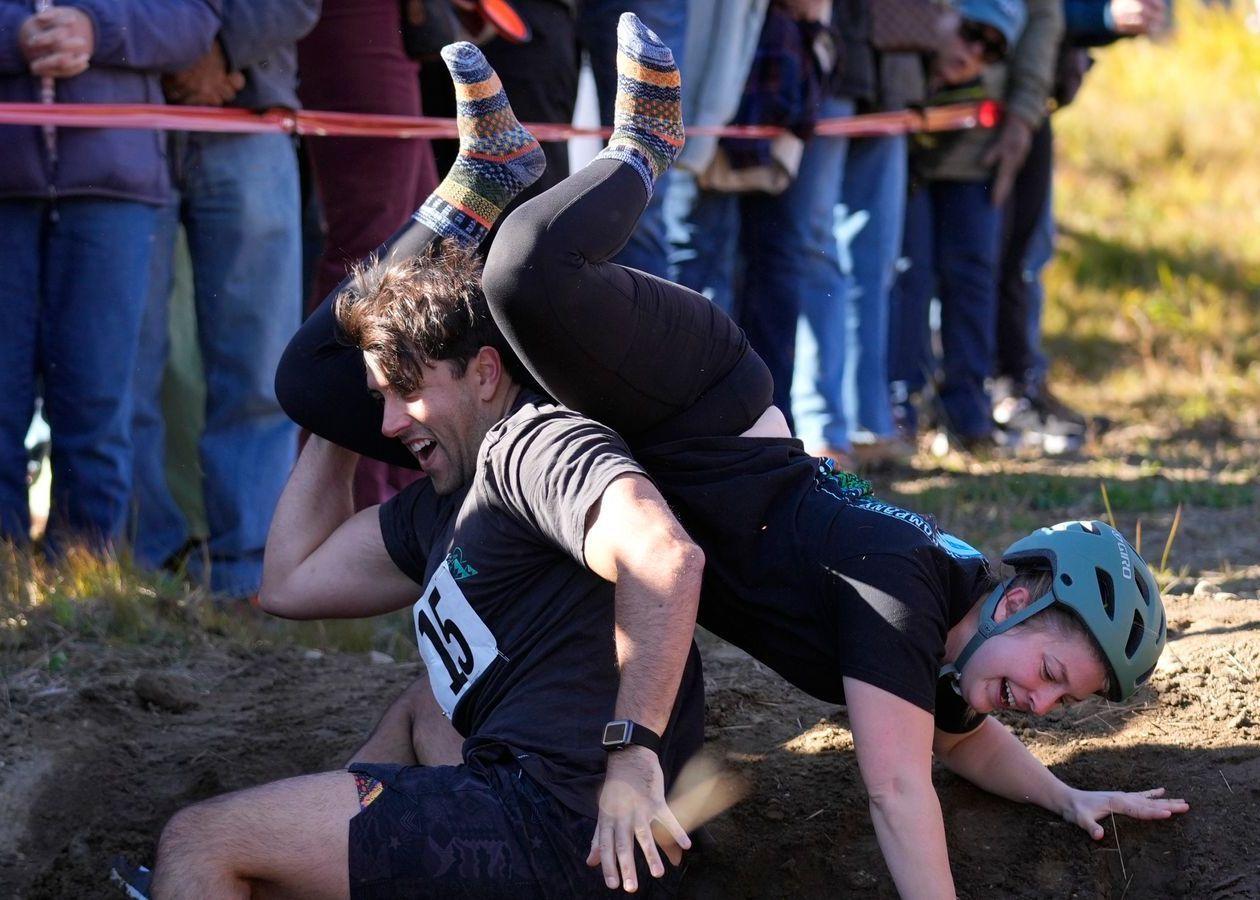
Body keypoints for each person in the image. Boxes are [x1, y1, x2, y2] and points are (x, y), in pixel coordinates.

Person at [274, 16, 1187, 897]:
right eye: (1053, 676)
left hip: (623, 439)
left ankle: (473, 187)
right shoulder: (906, 597)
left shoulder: (945, 645)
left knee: (319, 385)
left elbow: (960, 738)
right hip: (697, 395)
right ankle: (641, 148)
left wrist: (1067, 795)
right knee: (525, 272)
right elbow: (897, 792)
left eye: (1064, 704)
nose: (1040, 704)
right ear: (1019, 598)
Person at [154, 29, 707, 898]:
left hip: (557, 826)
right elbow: (290, 585)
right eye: (380, 396)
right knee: (420, 707)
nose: (389, 420)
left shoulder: (538, 446)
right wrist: (351, 407)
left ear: (486, 373)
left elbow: (668, 560)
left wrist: (633, 759)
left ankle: (621, 159)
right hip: (521, 811)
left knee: (201, 840)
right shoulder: (442, 498)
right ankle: (478, 182)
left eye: (409, 390)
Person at [0, 0, 220, 552]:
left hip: (114, 189)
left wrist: (97, 31)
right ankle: (9, 582)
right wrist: (13, 35)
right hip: (8, 188)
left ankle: (87, 585)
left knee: (98, 399)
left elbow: (194, 20)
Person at [130, 0, 319, 598]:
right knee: (121, 367)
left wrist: (218, 52)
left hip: (248, 113)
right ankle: (138, 568)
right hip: (126, 117)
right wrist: (180, 57)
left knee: (259, 366)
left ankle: (249, 575)